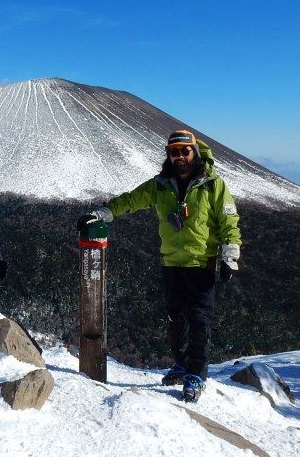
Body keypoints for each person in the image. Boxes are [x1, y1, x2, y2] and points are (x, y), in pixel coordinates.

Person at [77, 129, 241, 402]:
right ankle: (181, 364)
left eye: (184, 151)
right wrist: (103, 213)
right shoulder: (161, 184)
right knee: (176, 318)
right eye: (173, 152)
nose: (179, 157)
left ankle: (196, 374)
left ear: (195, 152)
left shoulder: (213, 185)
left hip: (202, 262)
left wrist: (230, 255)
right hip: (171, 262)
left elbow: (229, 222)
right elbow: (132, 200)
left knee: (199, 320)